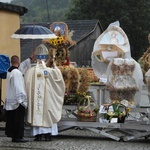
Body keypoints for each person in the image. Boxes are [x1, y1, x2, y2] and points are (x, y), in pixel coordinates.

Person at [24, 44, 65, 141]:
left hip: (36, 99)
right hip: (47, 100)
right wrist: (55, 66)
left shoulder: (30, 72)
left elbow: (26, 83)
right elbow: (58, 78)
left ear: (36, 59)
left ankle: (37, 135)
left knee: (37, 113)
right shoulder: (50, 71)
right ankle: (47, 135)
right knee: (47, 114)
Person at [4, 54, 35, 143]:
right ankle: (18, 137)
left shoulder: (9, 71)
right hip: (17, 101)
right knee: (18, 120)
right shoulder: (17, 73)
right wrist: (22, 100)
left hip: (10, 100)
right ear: (18, 62)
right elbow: (18, 87)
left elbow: (21, 67)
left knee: (12, 120)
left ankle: (14, 137)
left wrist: (29, 58)